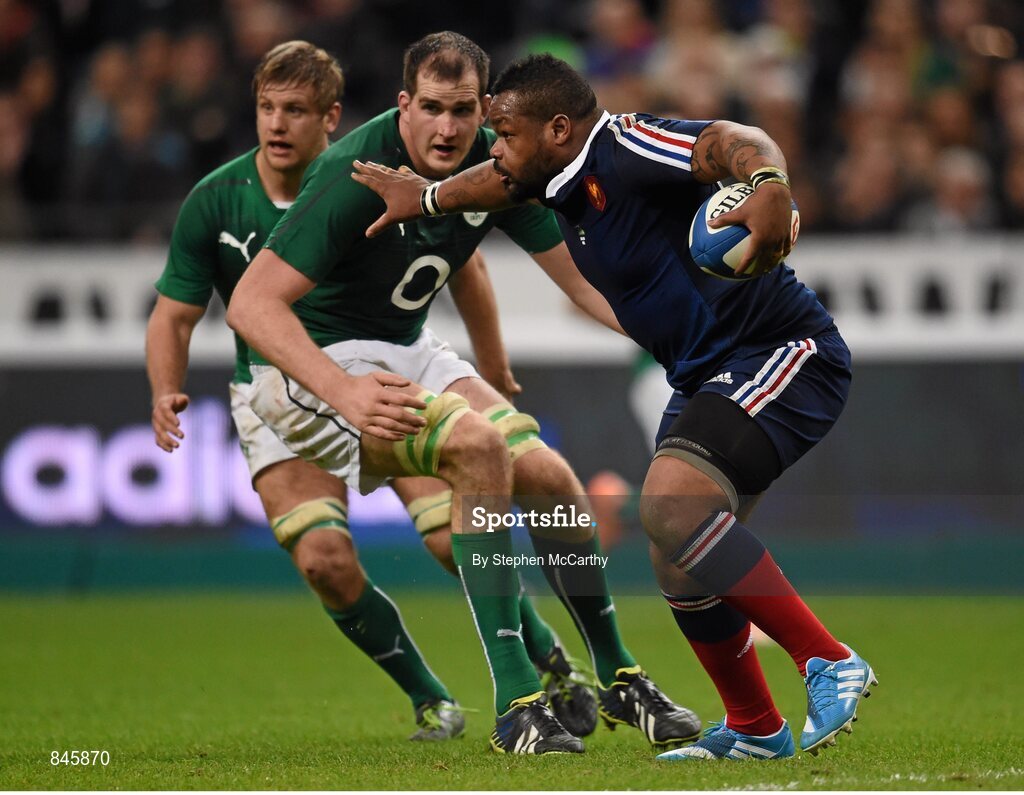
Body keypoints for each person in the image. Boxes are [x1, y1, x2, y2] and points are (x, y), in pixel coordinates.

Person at [352, 53, 878, 762]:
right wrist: (426, 199)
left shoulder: (625, 146)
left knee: (671, 507)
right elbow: (497, 181)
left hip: (781, 350)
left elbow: (729, 139)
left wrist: (770, 183)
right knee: (676, 559)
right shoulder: (550, 179)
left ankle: (828, 660)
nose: (494, 148)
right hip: (705, 373)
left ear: (559, 129)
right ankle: (756, 726)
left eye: (506, 134)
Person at [228, 33, 701, 755]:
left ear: (485, 109)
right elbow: (251, 305)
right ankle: (518, 703)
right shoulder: (355, 172)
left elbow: (578, 283)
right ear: (404, 106)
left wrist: (683, 340)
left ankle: (618, 672)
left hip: (408, 348)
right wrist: (343, 391)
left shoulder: (498, 159)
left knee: (549, 474)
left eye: (461, 111)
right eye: (431, 108)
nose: (446, 128)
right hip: (309, 369)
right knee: (480, 448)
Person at [145, 40, 581, 745]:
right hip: (276, 392)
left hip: (375, 370)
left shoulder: (366, 177)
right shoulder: (215, 200)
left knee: (450, 535)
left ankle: (544, 658)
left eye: (296, 110)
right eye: (266, 108)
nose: (278, 124)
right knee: (324, 561)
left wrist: (493, 365)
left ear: (331, 118)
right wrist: (165, 388)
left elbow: (464, 267)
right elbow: (175, 314)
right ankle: (432, 697)